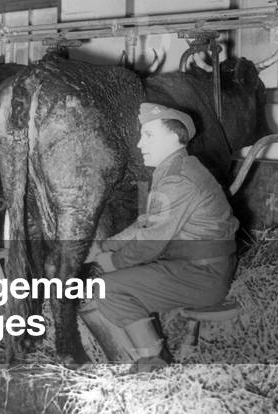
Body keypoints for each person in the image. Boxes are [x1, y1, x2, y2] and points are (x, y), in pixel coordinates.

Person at [81, 102, 238, 373]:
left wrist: (110, 262)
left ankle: (156, 366)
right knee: (108, 284)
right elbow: (145, 224)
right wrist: (103, 246)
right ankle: (145, 360)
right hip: (194, 267)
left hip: (203, 275)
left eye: (149, 135)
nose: (140, 144)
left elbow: (149, 244)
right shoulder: (173, 170)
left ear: (175, 138)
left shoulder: (178, 180)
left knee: (107, 288)